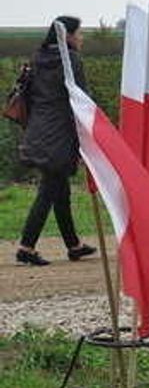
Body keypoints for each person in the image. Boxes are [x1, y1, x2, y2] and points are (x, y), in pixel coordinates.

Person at [15, 16, 96, 266]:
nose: (81, 38)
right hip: (59, 133)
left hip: (38, 131)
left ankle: (74, 245)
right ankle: (26, 247)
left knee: (60, 190)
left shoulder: (37, 59)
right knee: (49, 190)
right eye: (79, 33)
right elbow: (82, 97)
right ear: (68, 36)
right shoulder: (70, 61)